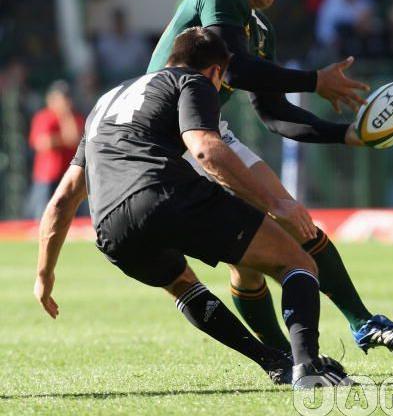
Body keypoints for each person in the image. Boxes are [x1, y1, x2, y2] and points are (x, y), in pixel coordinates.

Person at [34, 27, 353, 388]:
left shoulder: (105, 102)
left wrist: (44, 276)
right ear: (216, 71)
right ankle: (309, 368)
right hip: (163, 191)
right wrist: (274, 203)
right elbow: (203, 148)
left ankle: (275, 361)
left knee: (182, 284)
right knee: (297, 262)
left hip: (109, 223)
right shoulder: (192, 81)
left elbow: (63, 200)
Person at [147, 0, 393, 355]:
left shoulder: (258, 29)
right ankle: (297, 349)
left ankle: (354, 326)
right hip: (172, 136)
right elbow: (234, 70)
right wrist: (315, 80)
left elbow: (273, 113)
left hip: (208, 130)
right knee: (267, 239)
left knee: (271, 240)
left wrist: (343, 134)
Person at [26, 80, 84, 219]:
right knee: (43, 215)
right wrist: (63, 139)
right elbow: (42, 143)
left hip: (70, 175)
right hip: (47, 177)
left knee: (72, 216)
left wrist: (65, 116)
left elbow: (74, 138)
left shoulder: (75, 117)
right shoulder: (44, 116)